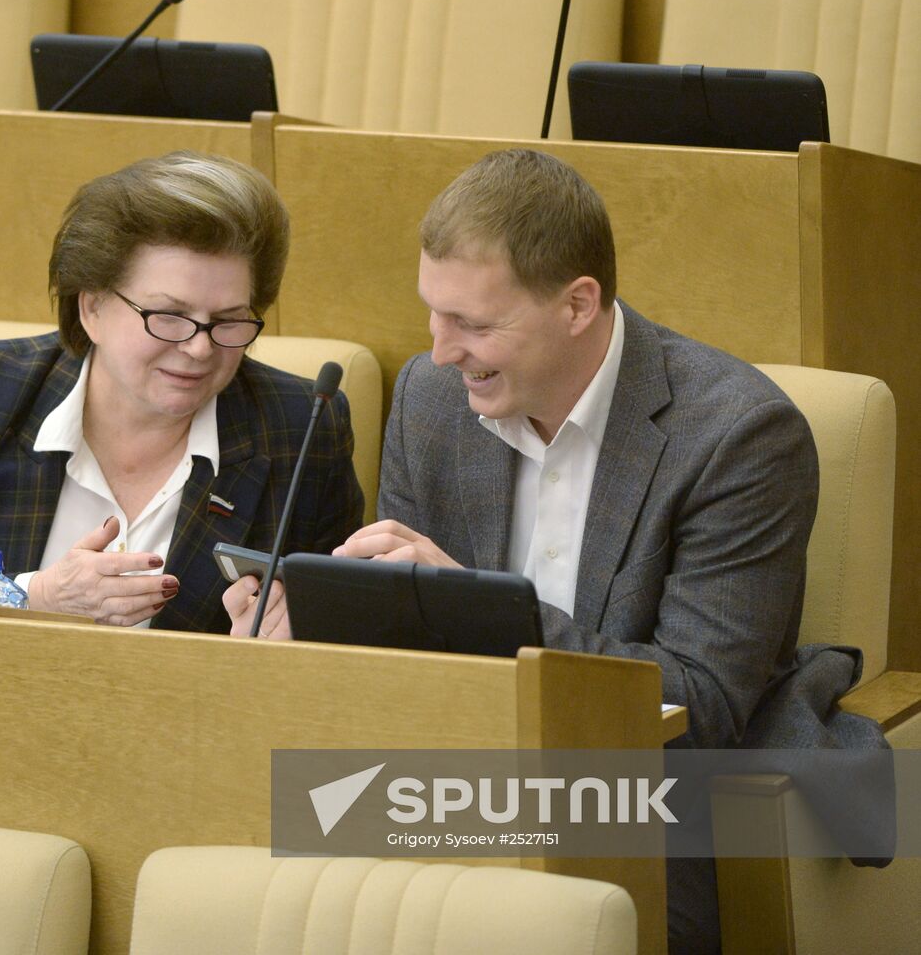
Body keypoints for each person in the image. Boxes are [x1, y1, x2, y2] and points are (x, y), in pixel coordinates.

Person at [224, 148, 819, 951]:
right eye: (434, 314)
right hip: (446, 772)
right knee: (247, 846)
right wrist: (313, 628)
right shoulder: (431, 400)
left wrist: (474, 610)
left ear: (577, 305)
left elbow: (701, 705)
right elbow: (401, 651)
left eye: (473, 325)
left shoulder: (737, 436)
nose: (441, 351)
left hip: (638, 799)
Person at [0, 150, 363, 632]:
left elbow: (337, 631)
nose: (199, 348)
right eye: (169, 316)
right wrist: (34, 598)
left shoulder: (302, 428)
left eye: (229, 320)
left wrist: (277, 647)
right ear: (92, 308)